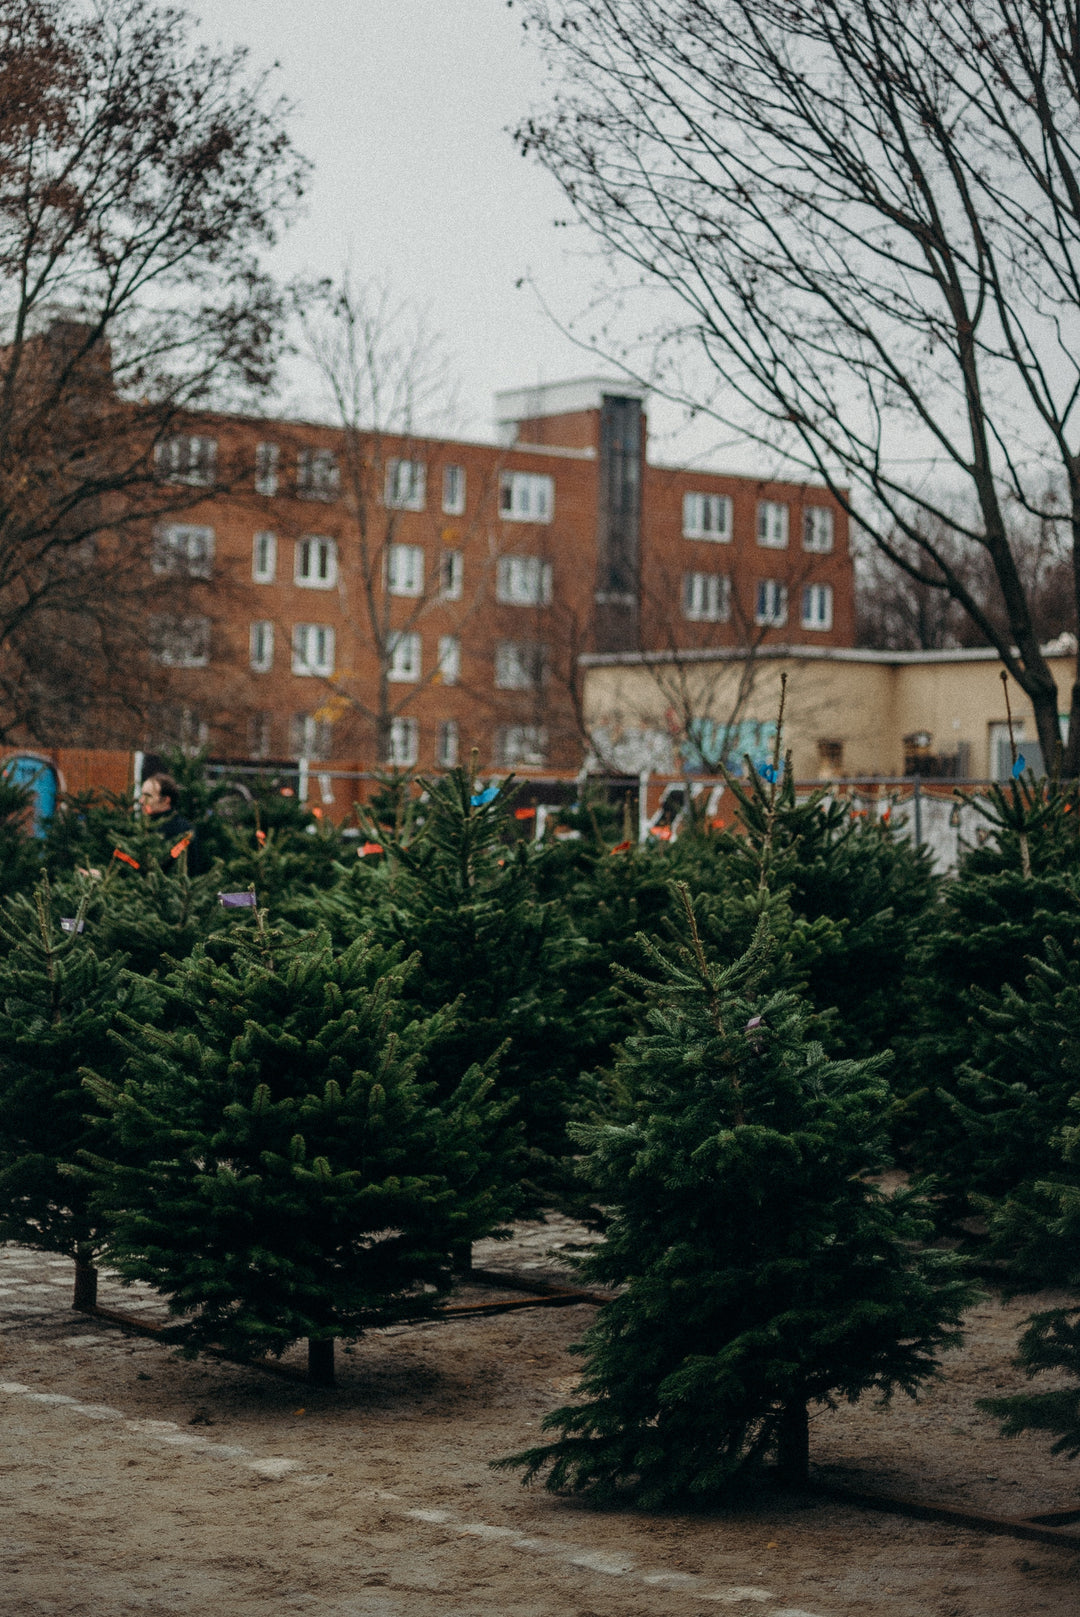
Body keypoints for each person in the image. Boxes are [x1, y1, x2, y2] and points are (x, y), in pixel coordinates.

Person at [138, 772, 204, 873]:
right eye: (142, 794)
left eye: (148, 796)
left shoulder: (182, 831)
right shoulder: (140, 826)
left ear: (165, 800)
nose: (141, 801)